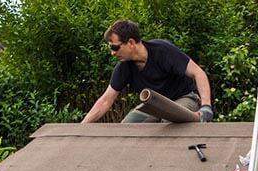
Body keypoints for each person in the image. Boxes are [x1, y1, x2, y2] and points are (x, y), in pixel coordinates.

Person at [81, 20, 213, 123]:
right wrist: (81, 128)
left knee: (169, 124)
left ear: (131, 43)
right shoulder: (124, 67)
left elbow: (198, 73)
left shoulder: (163, 51)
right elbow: (105, 100)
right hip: (154, 105)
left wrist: (206, 105)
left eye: (115, 47)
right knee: (127, 128)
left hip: (184, 98)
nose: (112, 53)